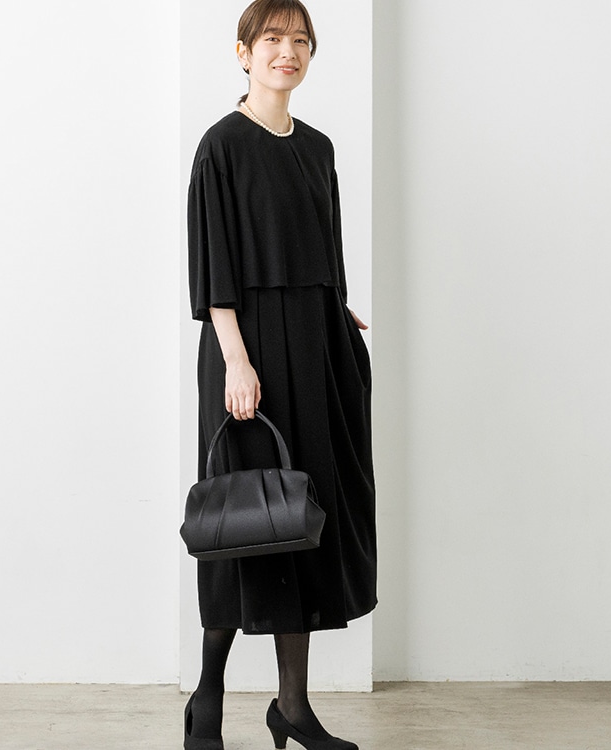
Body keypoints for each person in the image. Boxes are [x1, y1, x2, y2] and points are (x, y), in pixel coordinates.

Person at [185, 1, 376, 748]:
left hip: (316, 344)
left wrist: (336, 307)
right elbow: (215, 268)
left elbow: (325, 246)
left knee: (301, 518)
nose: (287, 51)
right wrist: (236, 360)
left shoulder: (318, 148)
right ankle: (208, 695)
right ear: (243, 52)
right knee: (243, 520)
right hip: (248, 346)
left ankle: (292, 707)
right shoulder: (221, 146)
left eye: (300, 40)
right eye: (272, 39)